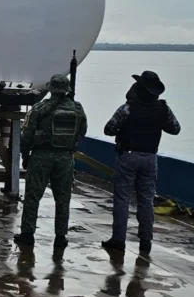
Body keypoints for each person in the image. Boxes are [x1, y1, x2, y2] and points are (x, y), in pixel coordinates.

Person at [101, 71, 180, 254]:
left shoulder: (128, 108)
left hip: (128, 156)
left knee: (122, 199)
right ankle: (146, 240)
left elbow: (109, 129)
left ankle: (118, 240)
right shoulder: (163, 109)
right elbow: (175, 129)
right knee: (146, 199)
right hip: (150, 158)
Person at [14, 74, 87, 249]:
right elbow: (82, 131)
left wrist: (25, 156)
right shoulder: (77, 108)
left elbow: (27, 136)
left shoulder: (40, 108)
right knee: (63, 198)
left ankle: (27, 234)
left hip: (41, 157)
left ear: (51, 89)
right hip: (65, 158)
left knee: (33, 196)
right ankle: (61, 236)